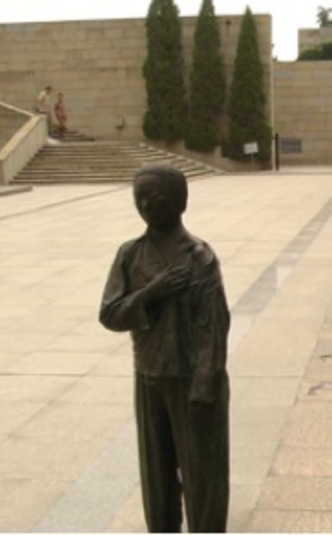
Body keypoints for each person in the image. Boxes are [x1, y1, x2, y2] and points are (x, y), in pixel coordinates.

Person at [99, 165, 230, 532]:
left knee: (202, 476)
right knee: (156, 476)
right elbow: (110, 313)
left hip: (192, 382)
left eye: (152, 195)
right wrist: (152, 291)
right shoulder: (130, 254)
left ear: (177, 200)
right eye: (138, 196)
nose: (143, 203)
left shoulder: (199, 257)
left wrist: (205, 385)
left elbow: (214, 327)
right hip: (150, 377)